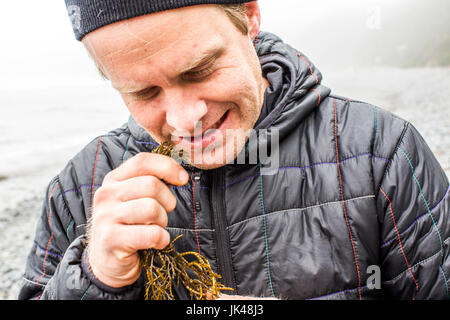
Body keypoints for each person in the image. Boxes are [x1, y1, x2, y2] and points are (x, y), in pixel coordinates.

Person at [19, 0, 449, 300]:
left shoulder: (381, 152)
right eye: (144, 91)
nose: (186, 119)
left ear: (249, 15)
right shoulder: (82, 188)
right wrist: (94, 279)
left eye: (200, 70)